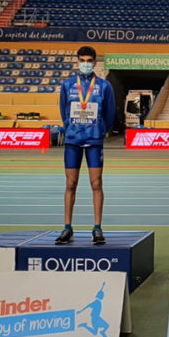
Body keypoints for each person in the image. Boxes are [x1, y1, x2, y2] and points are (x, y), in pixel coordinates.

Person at [56, 46, 115, 245]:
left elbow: (110, 113)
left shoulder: (105, 86)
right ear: (77, 62)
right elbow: (63, 110)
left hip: (94, 140)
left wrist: (101, 129)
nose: (86, 63)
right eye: (82, 60)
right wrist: (69, 127)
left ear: (95, 63)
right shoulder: (67, 85)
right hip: (73, 139)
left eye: (89, 60)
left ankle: (97, 228)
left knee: (96, 184)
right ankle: (67, 228)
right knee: (70, 184)